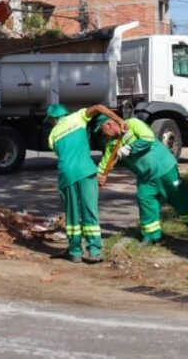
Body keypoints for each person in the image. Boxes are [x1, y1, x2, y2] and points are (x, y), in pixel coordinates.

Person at [94, 115, 188, 246]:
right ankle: (151, 236)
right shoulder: (112, 145)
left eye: (102, 130)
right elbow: (104, 166)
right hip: (146, 177)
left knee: (180, 200)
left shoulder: (132, 124)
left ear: (109, 124)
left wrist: (130, 148)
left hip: (165, 169)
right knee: (145, 202)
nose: (103, 134)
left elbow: (148, 138)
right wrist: (97, 178)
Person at [46, 103, 126, 263]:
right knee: (89, 211)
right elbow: (98, 107)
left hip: (66, 175)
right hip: (86, 171)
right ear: (65, 114)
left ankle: (75, 252)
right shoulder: (77, 118)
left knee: (72, 214)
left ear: (53, 120)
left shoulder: (52, 135)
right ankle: (94, 252)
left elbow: (62, 152)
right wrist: (119, 120)